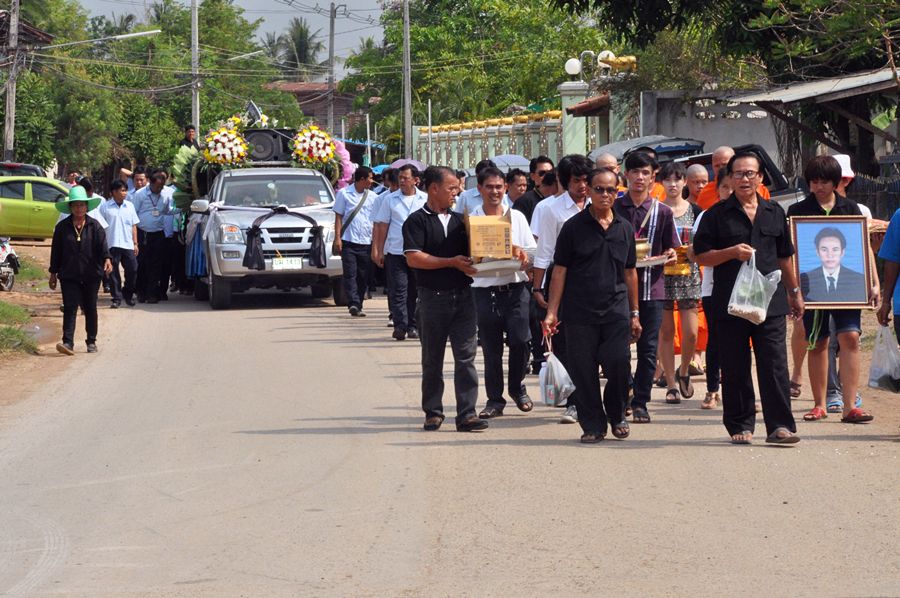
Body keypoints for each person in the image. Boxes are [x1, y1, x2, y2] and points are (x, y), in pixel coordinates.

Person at [693, 151, 802, 445]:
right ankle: (740, 424)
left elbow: (784, 257)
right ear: (728, 178)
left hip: (771, 301)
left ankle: (780, 425)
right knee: (735, 363)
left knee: (775, 363)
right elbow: (700, 255)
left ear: (761, 177)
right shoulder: (715, 215)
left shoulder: (774, 212)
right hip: (731, 303)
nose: (744, 179)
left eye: (750, 173)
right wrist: (730, 253)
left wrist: (795, 293)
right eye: (738, 173)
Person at [543, 168, 640, 443]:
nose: (605, 195)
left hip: (616, 310)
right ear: (589, 190)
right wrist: (552, 312)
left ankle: (617, 413)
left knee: (619, 363)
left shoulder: (624, 228)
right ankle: (593, 425)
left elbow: (630, 272)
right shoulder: (573, 227)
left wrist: (634, 313)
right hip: (579, 312)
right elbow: (559, 271)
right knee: (583, 371)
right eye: (599, 189)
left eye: (611, 190)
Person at [787, 155, 876, 424]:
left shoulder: (852, 210)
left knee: (850, 338)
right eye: (814, 181)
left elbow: (864, 249)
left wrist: (873, 282)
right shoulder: (797, 211)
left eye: (824, 181)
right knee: (818, 341)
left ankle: (851, 406)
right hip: (811, 287)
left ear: (836, 182)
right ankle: (819, 404)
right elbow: (789, 254)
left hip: (848, 286)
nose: (819, 186)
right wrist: (793, 291)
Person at [403, 166, 487, 433]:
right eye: (451, 188)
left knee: (466, 357)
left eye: (457, 188)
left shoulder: (462, 222)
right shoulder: (416, 221)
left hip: (463, 297)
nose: (457, 192)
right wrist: (451, 262)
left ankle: (466, 414)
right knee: (432, 358)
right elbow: (414, 257)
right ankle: (433, 411)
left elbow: (479, 251)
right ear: (433, 188)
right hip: (432, 299)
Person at [613, 151, 680, 424]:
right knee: (616, 348)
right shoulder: (613, 207)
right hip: (616, 288)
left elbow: (672, 248)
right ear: (625, 175)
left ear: (653, 177)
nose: (639, 178)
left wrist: (672, 255)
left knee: (648, 349)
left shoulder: (662, 211)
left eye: (645, 173)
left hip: (653, 287)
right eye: (634, 172)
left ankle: (641, 401)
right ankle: (624, 390)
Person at [470, 167, 536, 419]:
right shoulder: (471, 218)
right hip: (484, 289)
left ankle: (518, 389)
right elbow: (468, 255)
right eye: (489, 187)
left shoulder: (517, 217)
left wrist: (522, 255)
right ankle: (494, 400)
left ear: (505, 188)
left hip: (516, 287)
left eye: (499, 187)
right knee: (491, 347)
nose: (495, 192)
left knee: (521, 340)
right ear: (480, 189)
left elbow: (532, 252)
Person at [533, 154, 594, 424]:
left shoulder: (602, 203)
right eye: (576, 180)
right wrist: (538, 287)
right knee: (567, 344)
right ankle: (574, 402)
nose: (583, 186)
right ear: (564, 181)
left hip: (597, 281)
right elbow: (544, 251)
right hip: (563, 282)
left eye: (586, 180)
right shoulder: (550, 209)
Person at [656, 162, 702, 404]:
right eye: (667, 180)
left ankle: (683, 371)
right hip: (661, 275)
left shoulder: (696, 210)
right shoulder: (656, 209)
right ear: (661, 183)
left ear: (685, 182)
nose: (672, 184)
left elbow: (705, 242)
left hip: (689, 275)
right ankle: (671, 385)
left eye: (677, 179)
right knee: (665, 331)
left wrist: (694, 250)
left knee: (691, 333)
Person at [49, 186, 112, 355]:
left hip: (91, 274)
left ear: (86, 207)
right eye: (75, 205)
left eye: (82, 205)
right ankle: (67, 342)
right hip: (69, 275)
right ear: (70, 207)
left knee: (90, 307)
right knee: (70, 307)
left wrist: (107, 259)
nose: (79, 209)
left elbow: (103, 247)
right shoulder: (62, 228)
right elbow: (56, 252)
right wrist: (53, 273)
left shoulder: (95, 226)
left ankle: (91, 341)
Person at [373, 164, 427, 340]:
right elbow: (382, 225)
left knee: (414, 291)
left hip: (418, 253)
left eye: (406, 178)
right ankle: (400, 325)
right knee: (398, 290)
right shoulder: (390, 199)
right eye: (400, 178)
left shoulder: (425, 199)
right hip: (395, 251)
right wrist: (378, 250)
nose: (402, 181)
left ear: (416, 180)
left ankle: (413, 325)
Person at [333, 166, 376, 317]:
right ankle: (353, 303)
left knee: (363, 275)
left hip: (366, 241)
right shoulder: (344, 194)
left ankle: (359, 303)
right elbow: (338, 217)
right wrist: (337, 238)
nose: (372, 181)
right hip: (349, 241)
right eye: (370, 178)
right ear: (362, 179)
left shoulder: (373, 197)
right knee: (350, 273)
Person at [132, 172, 175, 304]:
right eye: (157, 186)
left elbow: (168, 210)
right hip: (143, 233)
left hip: (158, 233)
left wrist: (183, 207)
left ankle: (152, 293)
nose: (159, 189)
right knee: (142, 264)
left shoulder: (165, 194)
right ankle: (141, 292)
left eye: (162, 186)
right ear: (150, 182)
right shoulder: (140, 195)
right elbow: (133, 213)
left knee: (156, 264)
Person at [99, 180, 140, 308]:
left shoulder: (130, 206)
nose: (124, 193)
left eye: (125, 190)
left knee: (133, 269)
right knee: (113, 272)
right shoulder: (105, 207)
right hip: (111, 243)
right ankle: (116, 297)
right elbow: (100, 227)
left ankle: (127, 294)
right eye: (122, 190)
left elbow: (134, 225)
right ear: (113, 192)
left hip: (128, 244)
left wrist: (135, 243)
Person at [696, 146, 770, 210]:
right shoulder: (705, 192)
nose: (721, 168)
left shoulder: (757, 188)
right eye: (717, 166)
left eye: (725, 164)